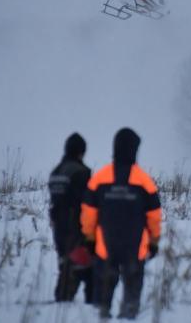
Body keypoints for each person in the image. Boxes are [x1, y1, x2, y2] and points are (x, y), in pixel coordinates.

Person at [81, 128, 161, 320]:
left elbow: (89, 213)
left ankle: (102, 315)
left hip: (104, 246)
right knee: (132, 295)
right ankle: (128, 316)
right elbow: (154, 216)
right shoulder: (145, 181)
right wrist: (154, 241)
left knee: (103, 294)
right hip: (136, 248)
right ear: (134, 150)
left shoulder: (99, 178)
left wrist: (90, 238)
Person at [48, 133, 93, 303]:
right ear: (81, 152)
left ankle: (62, 300)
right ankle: (90, 307)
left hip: (58, 227)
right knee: (87, 269)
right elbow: (88, 203)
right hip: (76, 228)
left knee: (66, 264)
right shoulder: (81, 172)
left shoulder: (56, 172)